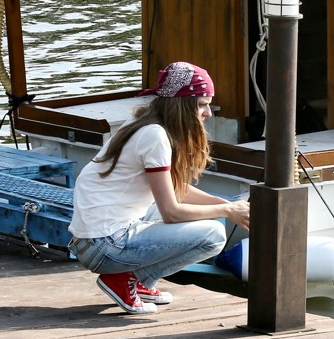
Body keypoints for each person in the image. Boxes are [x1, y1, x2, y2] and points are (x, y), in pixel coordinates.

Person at [68, 61, 250, 315]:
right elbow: (171, 212)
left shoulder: (143, 121)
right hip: (105, 246)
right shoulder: (155, 136)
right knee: (213, 234)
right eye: (202, 104)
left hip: (92, 240)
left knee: (203, 217)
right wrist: (226, 211)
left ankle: (135, 281)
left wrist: (227, 204)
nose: (208, 113)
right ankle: (126, 279)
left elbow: (175, 189)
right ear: (181, 105)